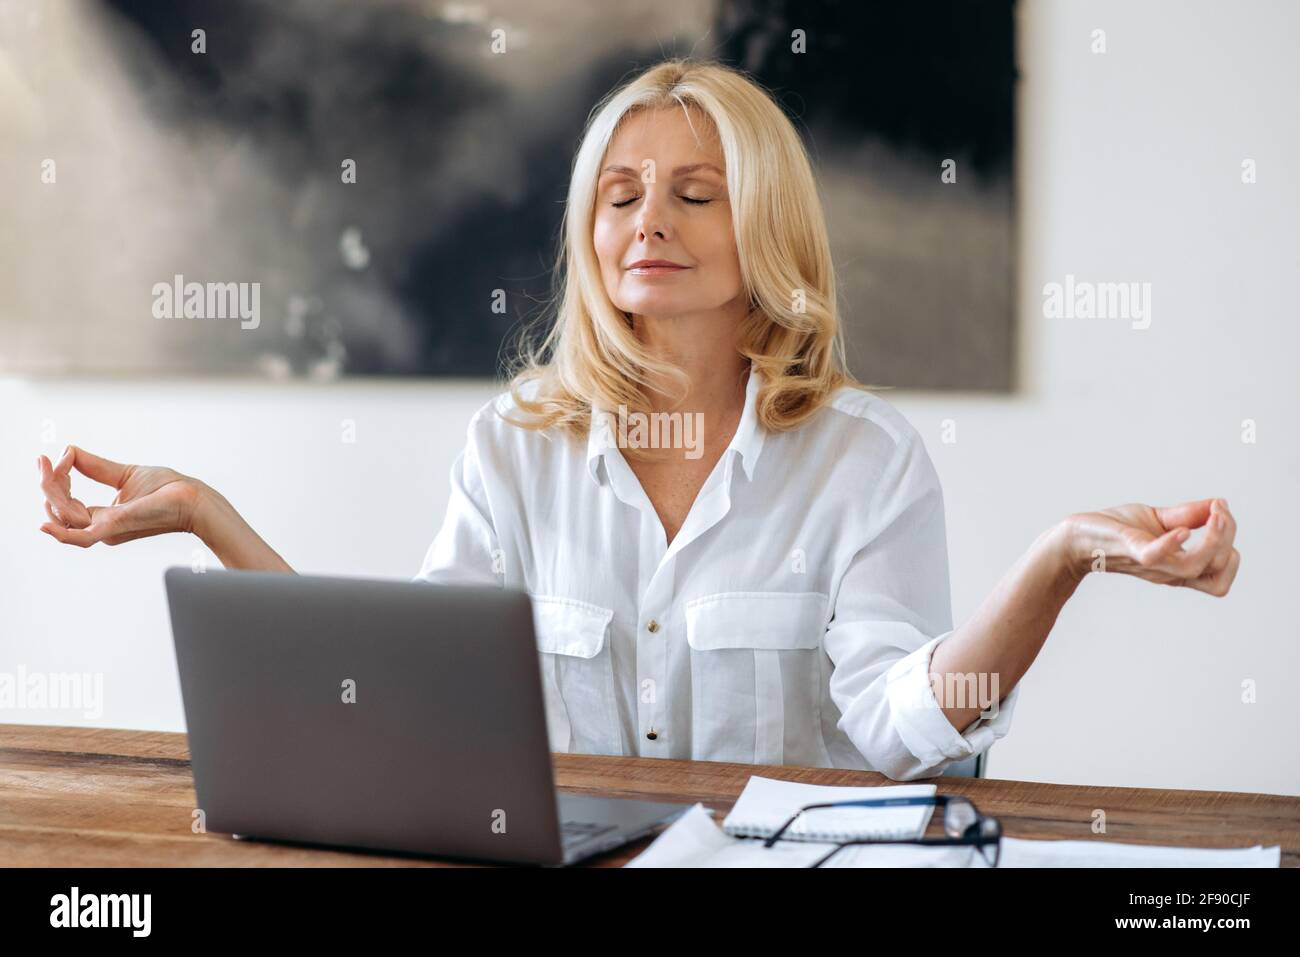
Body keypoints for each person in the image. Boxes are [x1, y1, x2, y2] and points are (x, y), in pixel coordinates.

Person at [36, 60, 1239, 780]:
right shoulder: (515, 445)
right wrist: (209, 515)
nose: (647, 222)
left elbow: (901, 734)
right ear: (590, 233)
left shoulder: (863, 460)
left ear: (764, 226)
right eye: (620, 196)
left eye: (694, 194)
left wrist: (1060, 557)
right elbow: (410, 698)